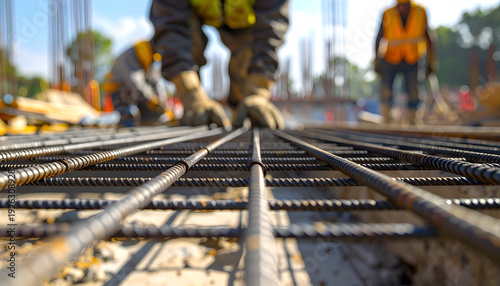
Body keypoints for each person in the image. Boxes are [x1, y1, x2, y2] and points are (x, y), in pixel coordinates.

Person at [149, 0, 289, 129]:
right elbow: (171, 28)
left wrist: (258, 91)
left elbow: (271, 27)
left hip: (245, 21)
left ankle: (241, 117)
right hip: (190, 15)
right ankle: (196, 107)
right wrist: (189, 93)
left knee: (244, 59)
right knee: (186, 41)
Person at [374, 0, 437, 124]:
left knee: (414, 91)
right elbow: (379, 36)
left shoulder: (421, 11)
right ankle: (387, 121)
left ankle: (413, 121)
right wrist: (377, 60)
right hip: (390, 58)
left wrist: (431, 61)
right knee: (386, 90)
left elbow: (429, 37)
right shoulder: (387, 13)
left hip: (412, 57)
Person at [103, 40, 168, 127]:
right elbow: (135, 82)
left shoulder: (149, 58)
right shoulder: (130, 56)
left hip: (135, 94)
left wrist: (161, 101)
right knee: (128, 118)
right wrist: (152, 99)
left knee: (153, 114)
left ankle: (146, 123)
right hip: (119, 93)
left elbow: (155, 81)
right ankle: (126, 124)